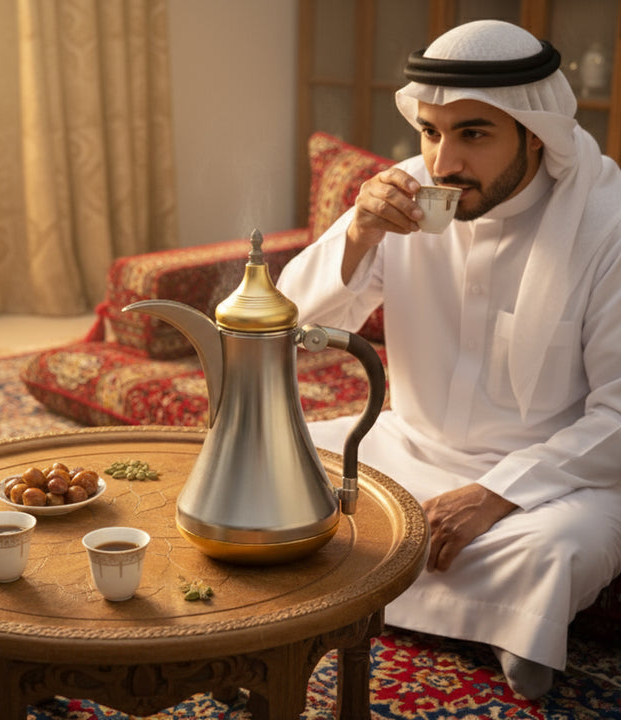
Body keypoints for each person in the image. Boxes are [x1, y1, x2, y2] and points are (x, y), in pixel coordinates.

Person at [276, 19, 621, 700]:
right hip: (411, 446)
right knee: (272, 463)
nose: (441, 163)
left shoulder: (606, 223)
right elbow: (289, 329)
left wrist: (497, 495)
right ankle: (460, 603)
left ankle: (462, 609)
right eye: (431, 131)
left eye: (473, 134)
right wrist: (359, 231)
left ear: (535, 133)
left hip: (551, 480)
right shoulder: (407, 196)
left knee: (553, 554)